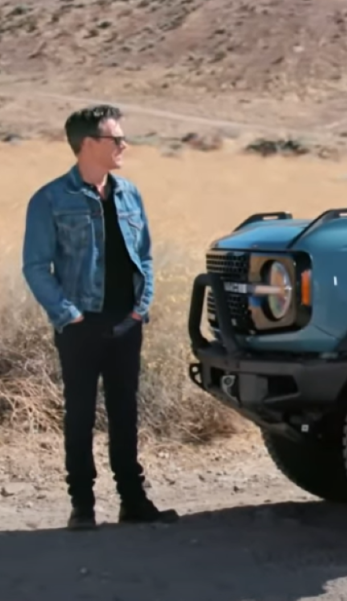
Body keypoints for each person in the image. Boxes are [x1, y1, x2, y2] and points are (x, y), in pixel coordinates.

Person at [21, 105, 178, 530]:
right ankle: (83, 507)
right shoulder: (51, 199)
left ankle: (133, 501)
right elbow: (36, 266)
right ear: (88, 144)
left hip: (126, 322)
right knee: (80, 414)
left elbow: (143, 255)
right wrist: (69, 315)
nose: (124, 144)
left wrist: (140, 306)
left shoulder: (129, 193)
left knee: (126, 412)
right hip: (80, 325)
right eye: (115, 139)